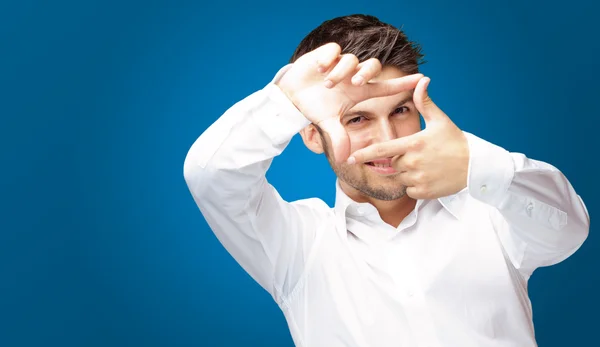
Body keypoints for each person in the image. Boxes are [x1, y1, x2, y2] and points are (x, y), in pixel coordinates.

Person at [183, 14, 590, 347]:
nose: (388, 141)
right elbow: (211, 177)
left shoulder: (489, 209)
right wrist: (284, 104)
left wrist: (474, 164)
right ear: (311, 134)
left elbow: (568, 230)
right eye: (357, 118)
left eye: (399, 111)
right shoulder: (296, 244)